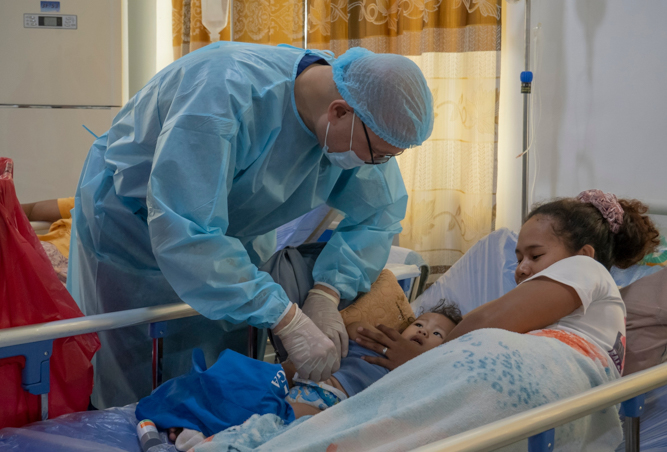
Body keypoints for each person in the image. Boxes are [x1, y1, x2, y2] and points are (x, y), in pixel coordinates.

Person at [67, 42, 434, 408]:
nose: (377, 165)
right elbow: (186, 228)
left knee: (222, 364)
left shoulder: (359, 116)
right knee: (132, 368)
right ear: (339, 111)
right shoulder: (222, 95)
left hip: (231, 233)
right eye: (378, 156)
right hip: (132, 227)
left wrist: (327, 292)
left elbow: (378, 216)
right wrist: (284, 316)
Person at [357, 190, 660, 375]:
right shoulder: (567, 314)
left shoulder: (587, 270)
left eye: (535, 256)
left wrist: (422, 363)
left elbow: (488, 320)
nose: (522, 269)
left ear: (583, 254)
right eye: (518, 259)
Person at [135, 300, 462, 451]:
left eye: (437, 335)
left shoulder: (421, 370)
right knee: (236, 384)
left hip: (328, 404)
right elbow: (349, 334)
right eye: (420, 324)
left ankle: (214, 444)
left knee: (274, 426)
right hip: (303, 384)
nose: (424, 331)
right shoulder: (377, 341)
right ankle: (192, 426)